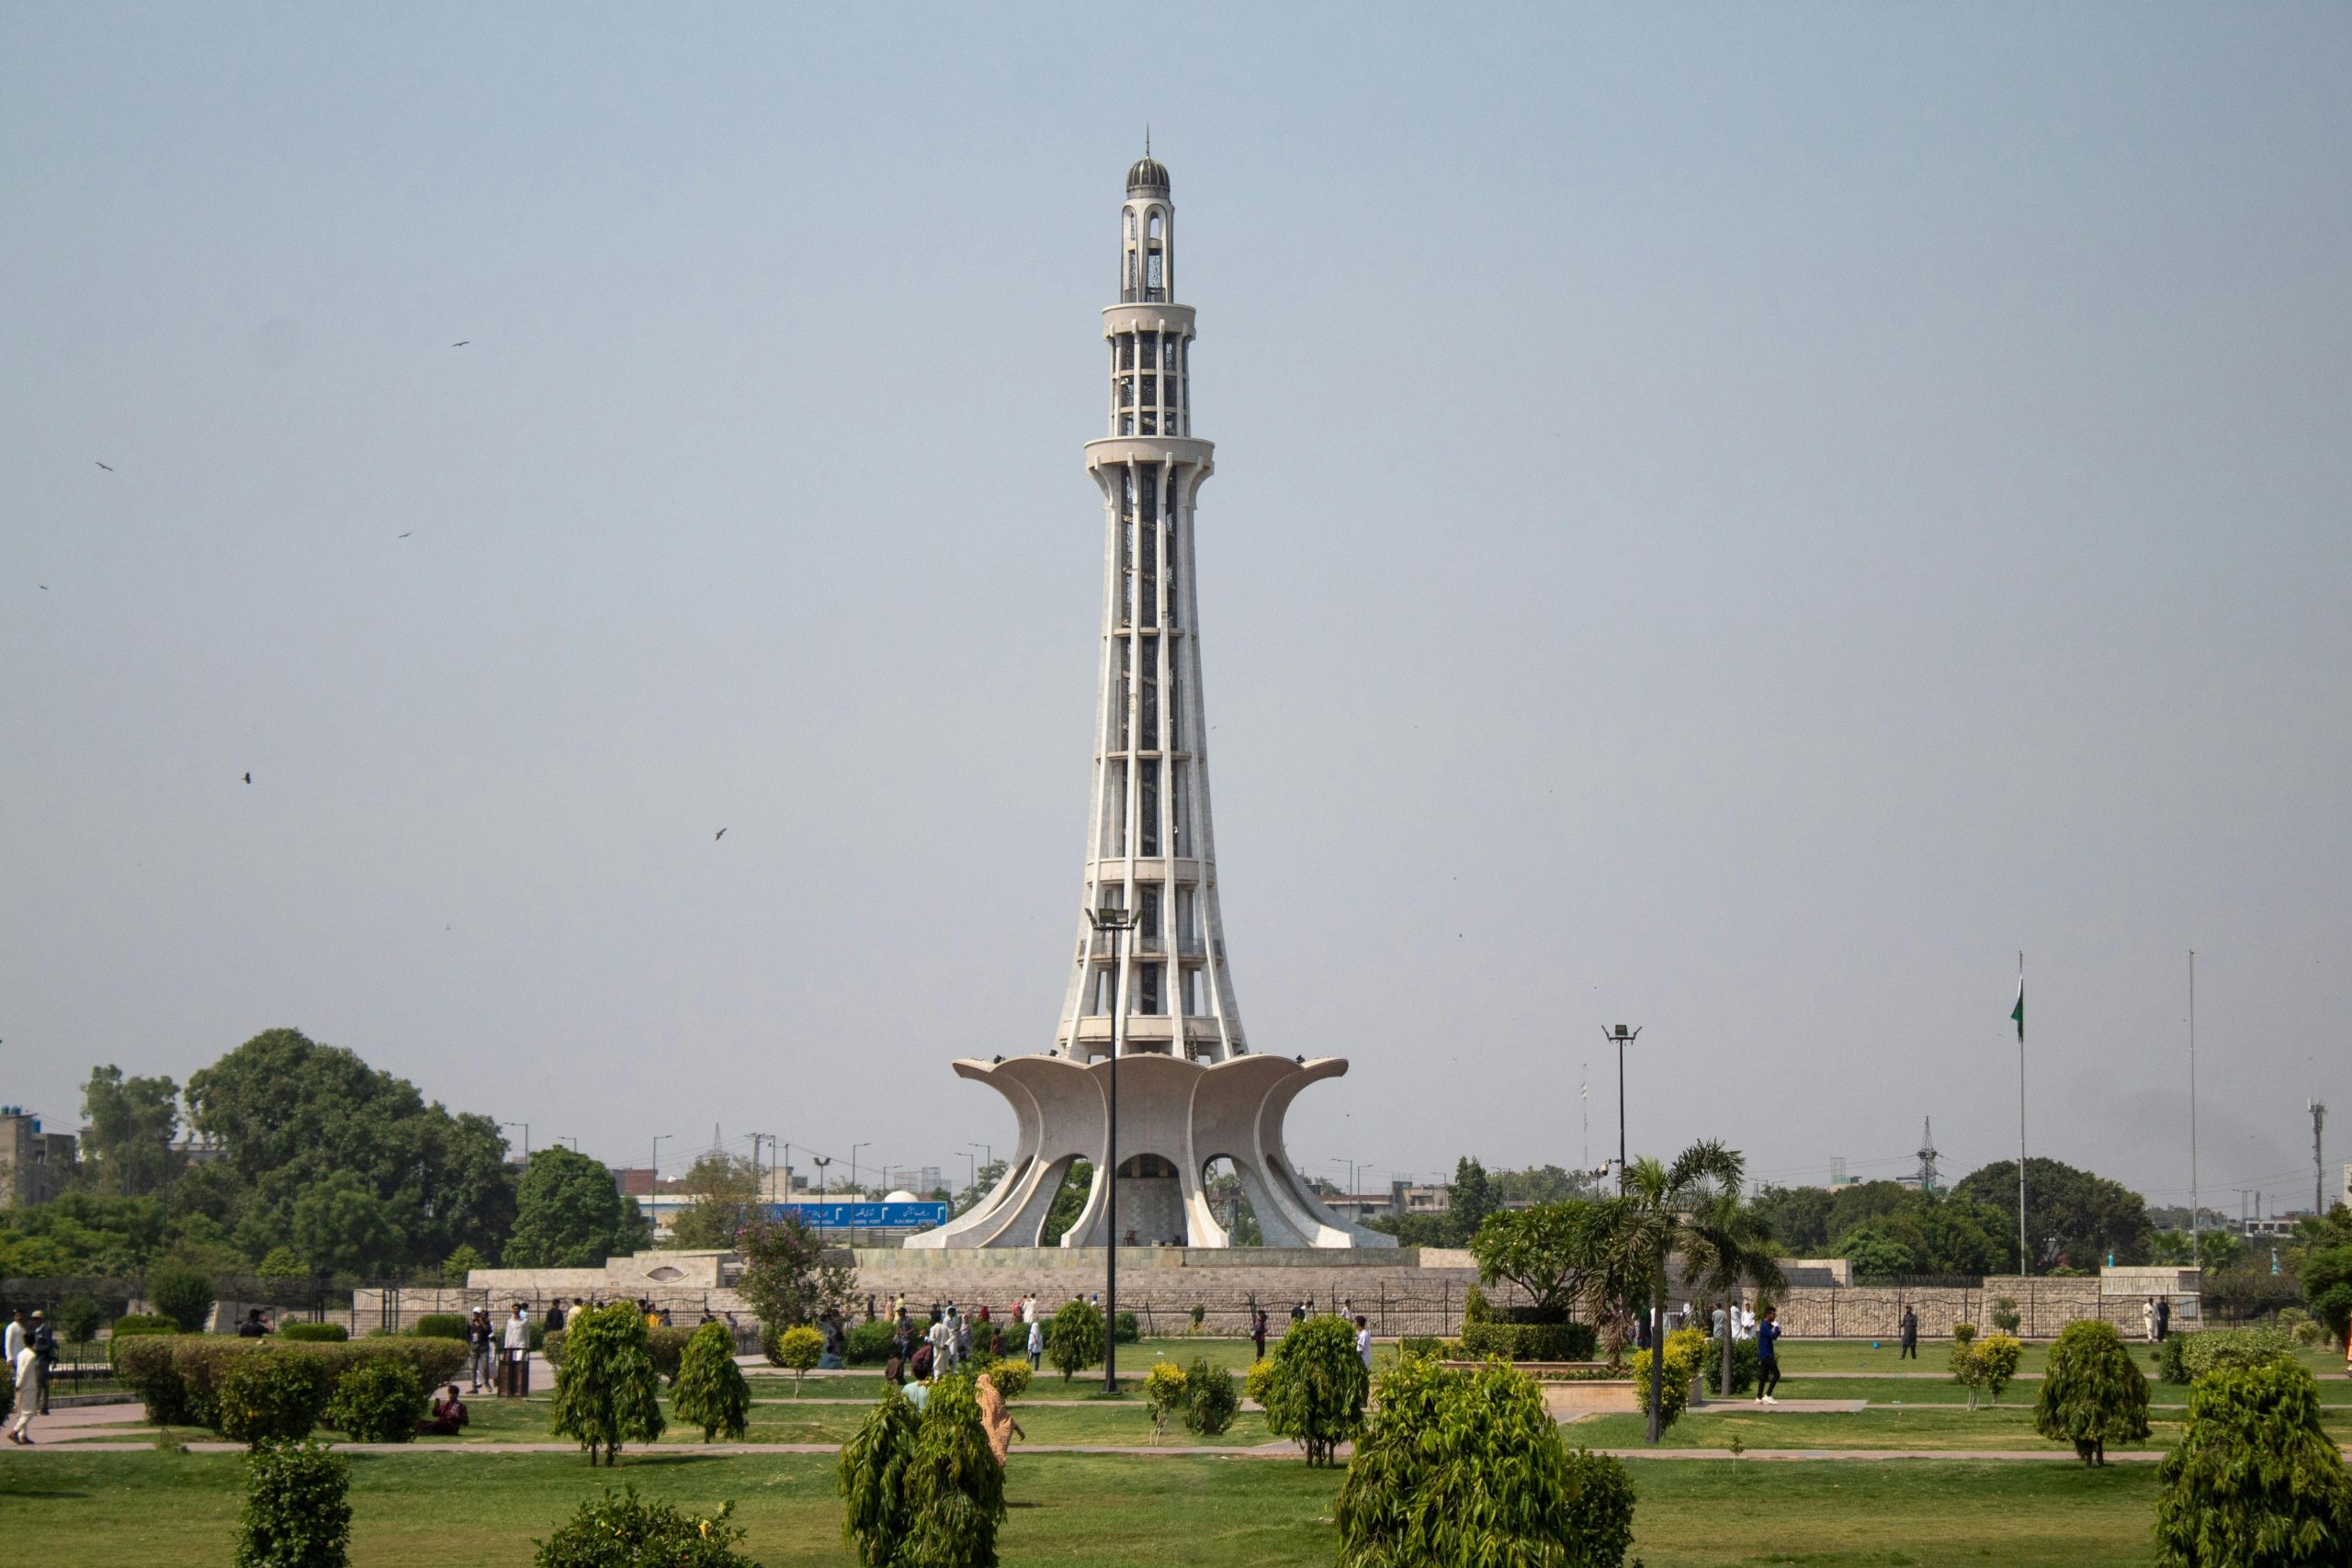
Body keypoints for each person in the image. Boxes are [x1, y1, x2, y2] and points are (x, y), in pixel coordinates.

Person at [976, 1368, 1025, 1466]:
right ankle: (999, 1461)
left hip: (986, 1424)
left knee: (991, 1448)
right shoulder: (995, 1393)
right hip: (998, 1424)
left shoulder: (979, 1394)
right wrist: (1019, 1431)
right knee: (997, 1449)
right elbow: (1004, 1413)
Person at [8, 1334, 38, 1444]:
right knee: (30, 1412)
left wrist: (17, 1384)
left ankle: (23, 1436)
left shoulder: (21, 1354)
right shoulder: (31, 1355)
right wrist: (19, 1384)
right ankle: (15, 1432)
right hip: (28, 1386)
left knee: (22, 1413)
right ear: (34, 1342)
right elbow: (24, 1371)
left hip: (20, 1386)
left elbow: (19, 1370)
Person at [1754, 1304, 1782, 1404]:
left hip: (1765, 1353)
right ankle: (1768, 1395)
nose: (1774, 1317)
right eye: (1773, 1315)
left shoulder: (1767, 1325)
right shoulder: (1764, 1325)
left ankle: (1758, 1397)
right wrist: (1778, 1329)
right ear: (1768, 1315)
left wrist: (1775, 1327)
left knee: (1764, 1376)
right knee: (1777, 1374)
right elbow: (1773, 1336)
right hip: (1766, 1354)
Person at [503, 1303, 532, 1396]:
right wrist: (506, 1347)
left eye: (517, 1309)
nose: (515, 1310)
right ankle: (512, 1386)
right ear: (512, 1310)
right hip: (511, 1345)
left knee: (519, 1363)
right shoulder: (509, 1321)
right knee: (512, 1365)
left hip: (521, 1344)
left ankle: (519, 1386)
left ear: (519, 1310)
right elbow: (507, 1334)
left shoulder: (524, 1321)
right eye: (514, 1308)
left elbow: (527, 1334)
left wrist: (527, 1346)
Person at [28, 1313, 55, 1415]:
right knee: (44, 1384)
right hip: (37, 1359)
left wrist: (37, 1349)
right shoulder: (36, 1331)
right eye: (33, 1319)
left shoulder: (45, 1330)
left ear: (40, 1319)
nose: (34, 1321)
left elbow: (49, 1344)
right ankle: (44, 1407)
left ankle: (34, 1407)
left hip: (42, 1359)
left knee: (38, 1384)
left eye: (36, 1319)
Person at [468, 1309, 495, 1393]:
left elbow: (488, 1331)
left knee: (485, 1366)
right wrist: (469, 1340)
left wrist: (481, 1322)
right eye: (474, 1313)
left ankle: (486, 1383)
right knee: (473, 1367)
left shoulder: (486, 1322)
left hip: (483, 1347)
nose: (476, 1315)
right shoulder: (471, 1322)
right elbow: (467, 1332)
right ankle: (474, 1386)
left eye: (477, 1313)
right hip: (474, 1347)